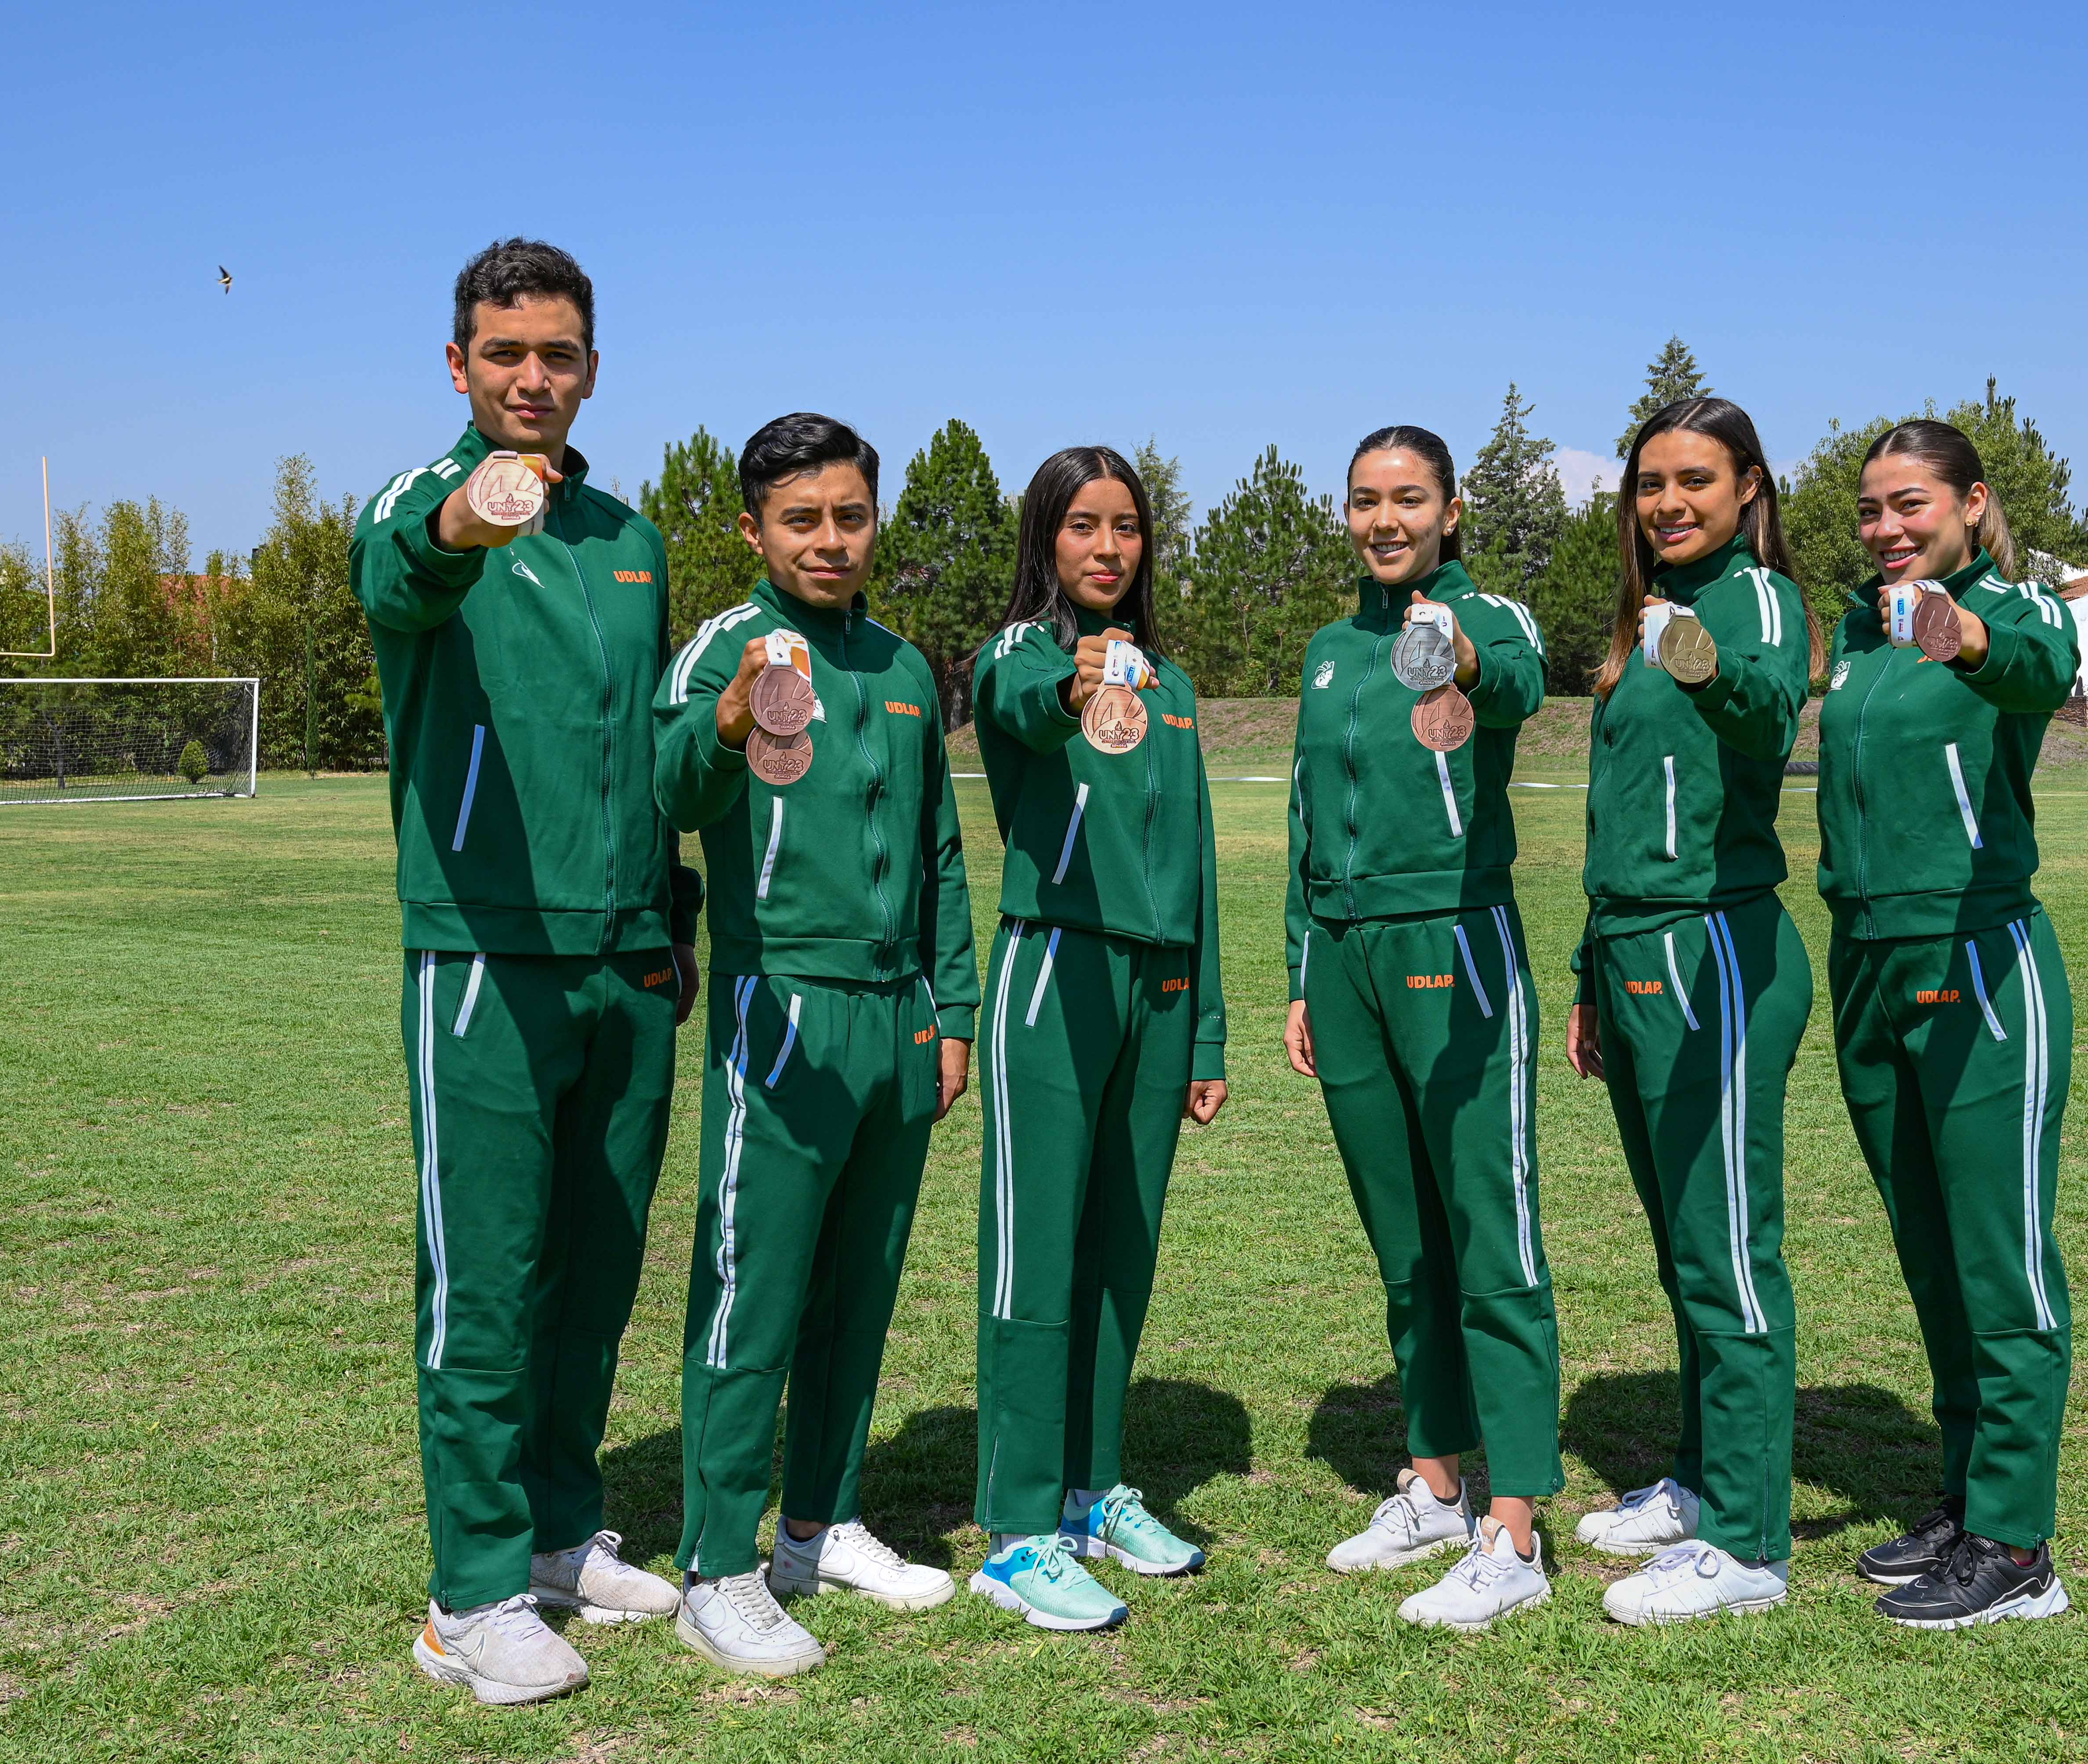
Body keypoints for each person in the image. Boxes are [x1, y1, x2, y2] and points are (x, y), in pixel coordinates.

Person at [352, 238, 699, 1706]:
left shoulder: (631, 535)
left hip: (629, 959)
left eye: (558, 354)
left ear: (593, 367)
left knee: (596, 1278)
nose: (532, 379)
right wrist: (466, 513)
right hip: (488, 955)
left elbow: (645, 750)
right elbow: (408, 565)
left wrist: (676, 906)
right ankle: (471, 1595)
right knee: (484, 1289)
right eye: (506, 355)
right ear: (459, 367)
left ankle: (561, 1534)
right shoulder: (419, 503)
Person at [652, 412, 980, 1676]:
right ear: (753, 529)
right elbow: (672, 791)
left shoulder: (902, 668)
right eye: (802, 520)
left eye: (849, 516)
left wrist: (947, 1004)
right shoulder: (729, 648)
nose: (830, 541)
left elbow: (944, 850)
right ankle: (715, 1568)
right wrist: (731, 722)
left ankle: (818, 1523)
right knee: (755, 1294)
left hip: (899, 1019)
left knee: (861, 1289)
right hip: (781, 1010)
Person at [1285, 425, 1558, 1630]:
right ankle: (1438, 1480)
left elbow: (1521, 680)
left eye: (1408, 501)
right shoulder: (1329, 650)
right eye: (1364, 501)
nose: (1385, 520)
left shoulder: (1484, 616)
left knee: (1487, 1238)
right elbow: (1305, 816)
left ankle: (1517, 1531)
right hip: (1343, 961)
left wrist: (1453, 648)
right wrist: (1302, 969)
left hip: (1454, 945)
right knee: (1404, 1245)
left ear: (1452, 509)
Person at [1818, 419, 2078, 1628]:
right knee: (1931, 1254)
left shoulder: (2016, 609)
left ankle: (2017, 1548)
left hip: (1979, 966)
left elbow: (2028, 663)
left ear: (1972, 504)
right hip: (1867, 964)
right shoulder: (1863, 646)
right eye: (1872, 511)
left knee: (1999, 1257)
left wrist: (1959, 627)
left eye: (1911, 504)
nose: (1888, 529)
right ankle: (1968, 1498)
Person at [1563, 398, 1819, 1626]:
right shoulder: (1648, 615)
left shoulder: (1751, 598)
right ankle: (1709, 1483)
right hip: (1636, 949)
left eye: (1695, 481)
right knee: (1683, 1250)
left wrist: (1691, 650)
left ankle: (1753, 1546)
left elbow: (1771, 707)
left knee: (1727, 1248)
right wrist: (1588, 973)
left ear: (1749, 486)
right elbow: (1624, 812)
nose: (1669, 502)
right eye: (1650, 484)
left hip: (1717, 945)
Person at [964, 447, 1229, 1631]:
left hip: (1158, 994)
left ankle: (1089, 1490)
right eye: (1084, 526)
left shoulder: (1168, 682)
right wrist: (1077, 687)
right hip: (1054, 974)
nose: (1108, 547)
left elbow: (1198, 859)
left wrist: (1208, 1031)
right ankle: (1018, 1533)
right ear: (1048, 538)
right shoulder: (1021, 657)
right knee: (1038, 1255)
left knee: (1122, 1250)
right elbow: (1022, 706)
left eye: (1126, 526)